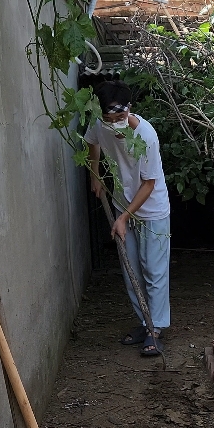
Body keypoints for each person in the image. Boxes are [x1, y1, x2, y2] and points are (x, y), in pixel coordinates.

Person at [84, 80, 171, 356]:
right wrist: (94, 174)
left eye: (120, 117)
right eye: (109, 119)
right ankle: (145, 322)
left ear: (129, 110)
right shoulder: (100, 123)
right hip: (122, 205)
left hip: (151, 210)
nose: (114, 123)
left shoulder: (146, 136)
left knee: (153, 271)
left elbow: (149, 184)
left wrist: (123, 218)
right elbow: (91, 143)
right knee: (130, 269)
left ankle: (156, 329)